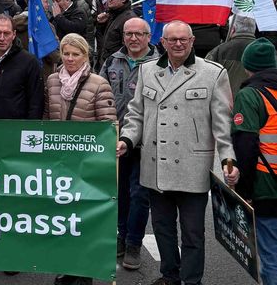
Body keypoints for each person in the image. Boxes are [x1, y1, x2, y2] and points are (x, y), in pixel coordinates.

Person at [117, 20, 240, 285]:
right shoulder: (148, 71)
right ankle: (169, 276)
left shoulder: (213, 73)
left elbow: (222, 126)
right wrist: (127, 139)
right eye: (172, 39)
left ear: (192, 41)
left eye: (183, 39)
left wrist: (228, 161)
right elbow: (136, 113)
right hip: (156, 166)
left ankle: (191, 281)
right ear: (162, 43)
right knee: (162, 228)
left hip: (192, 167)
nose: (178, 44)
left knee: (193, 233)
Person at [45, 33, 116, 285]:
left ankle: (84, 272)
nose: (71, 58)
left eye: (76, 54)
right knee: (63, 219)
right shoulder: (53, 81)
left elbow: (109, 125)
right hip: (59, 162)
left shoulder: (98, 84)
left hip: (87, 165)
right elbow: (47, 118)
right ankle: (66, 266)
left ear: (85, 55)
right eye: (66, 53)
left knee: (85, 219)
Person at [99, 18, 160, 270]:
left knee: (139, 194)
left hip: (147, 141)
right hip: (117, 138)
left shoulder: (160, 64)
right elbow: (100, 91)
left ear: (148, 36)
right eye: (128, 34)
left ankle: (134, 243)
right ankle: (121, 237)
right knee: (120, 193)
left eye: (138, 34)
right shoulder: (112, 61)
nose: (133, 38)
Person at [231, 38, 277, 285]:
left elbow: (246, 146)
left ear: (248, 65)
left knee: (271, 256)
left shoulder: (250, 95)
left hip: (267, 186)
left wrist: (244, 191)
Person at [206, 14, 257, 96]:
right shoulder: (268, 52)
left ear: (232, 29)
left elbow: (206, 78)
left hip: (226, 104)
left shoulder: (218, 51)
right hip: (260, 104)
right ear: (253, 29)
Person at [95, 0, 136, 69]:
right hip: (106, 64)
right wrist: (102, 24)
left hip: (116, 67)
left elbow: (129, 48)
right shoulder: (113, 14)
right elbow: (106, 39)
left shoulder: (129, 19)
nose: (108, 0)